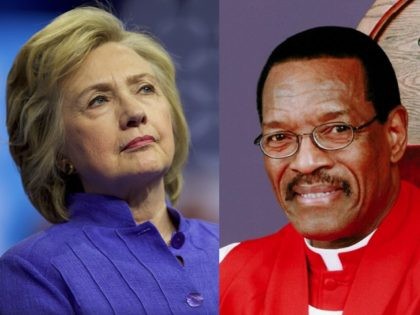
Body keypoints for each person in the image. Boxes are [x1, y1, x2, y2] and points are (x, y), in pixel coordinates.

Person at [0, 6, 218, 314]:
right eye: (98, 100)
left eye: (145, 88)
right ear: (59, 151)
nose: (134, 113)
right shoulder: (34, 272)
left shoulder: (231, 249)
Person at [220, 26, 420, 314]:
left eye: (337, 130)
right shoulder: (226, 274)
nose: (305, 162)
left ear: (394, 134)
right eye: (279, 137)